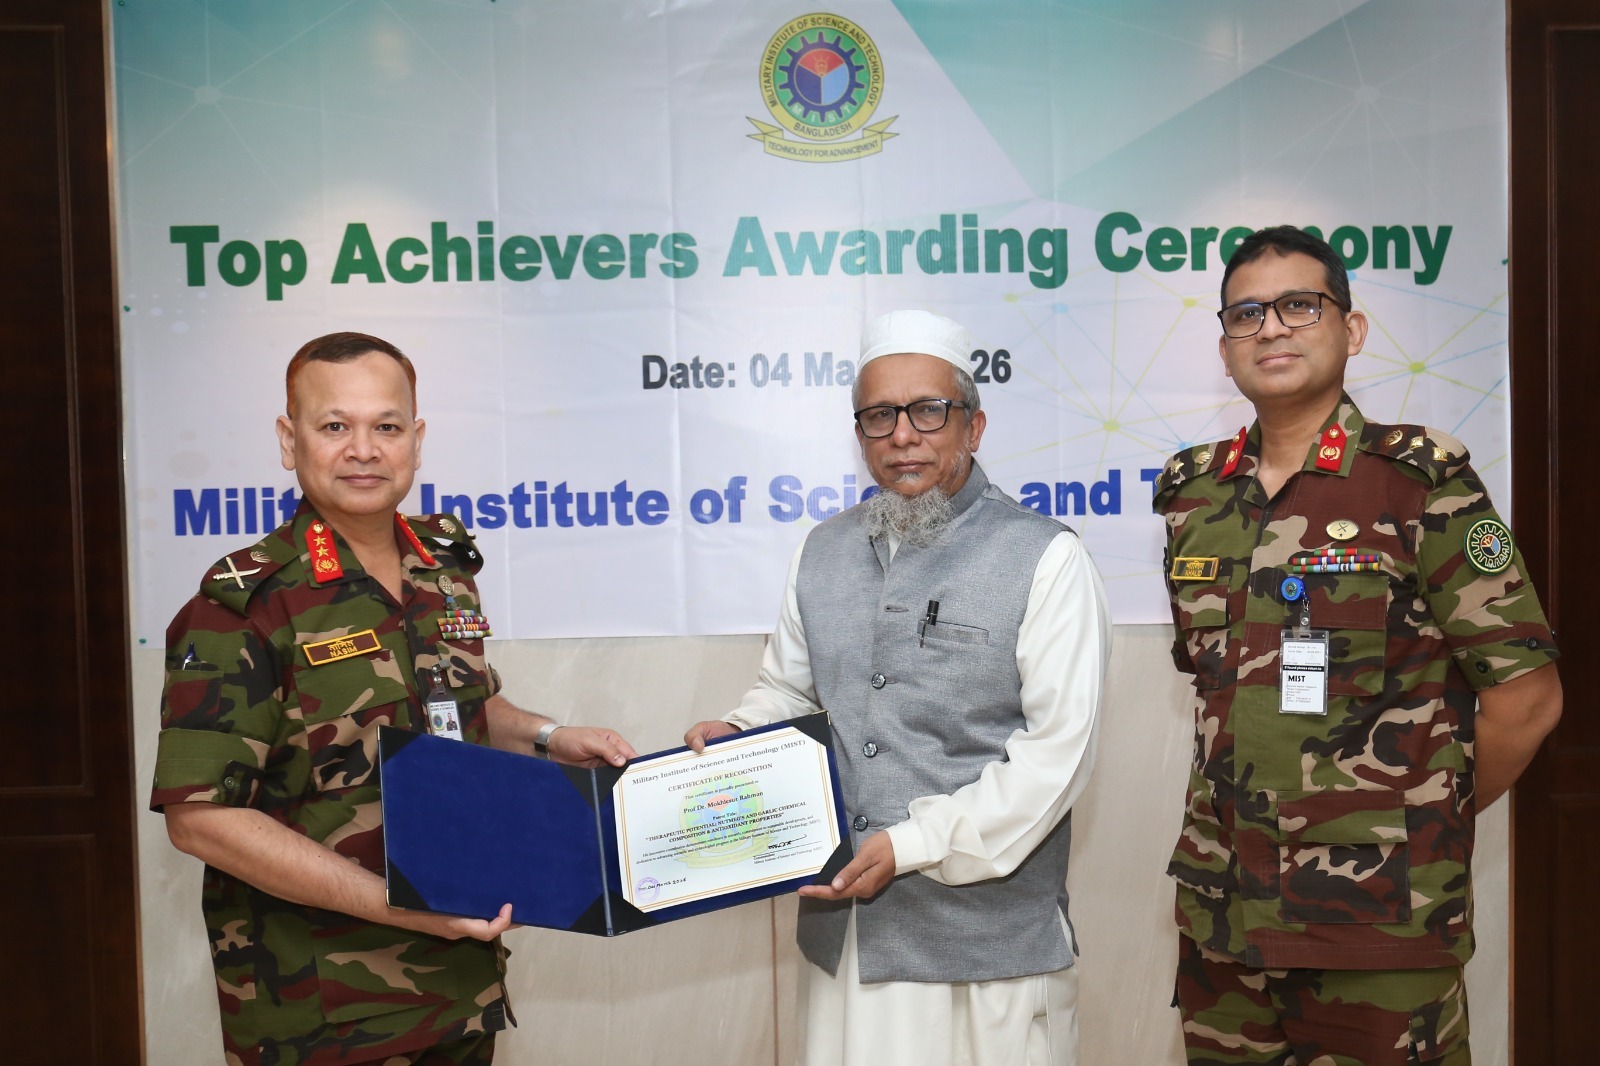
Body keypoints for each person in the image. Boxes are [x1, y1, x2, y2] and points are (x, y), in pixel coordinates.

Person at [151, 332, 637, 1066]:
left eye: (386, 426)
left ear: (416, 438)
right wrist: (402, 905)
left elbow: (457, 709)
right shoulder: (244, 607)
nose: (363, 450)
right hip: (319, 1010)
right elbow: (202, 821)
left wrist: (546, 737)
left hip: (459, 989)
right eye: (334, 425)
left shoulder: (442, 571)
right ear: (289, 440)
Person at [1153, 226, 1563, 1065]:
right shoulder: (1194, 497)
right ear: (1225, 347)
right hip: (1224, 922)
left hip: (1377, 928)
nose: (1272, 327)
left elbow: (1527, 700)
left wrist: (1424, 818)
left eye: (1299, 305)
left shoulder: (1420, 483)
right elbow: (1219, 694)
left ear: (1353, 329)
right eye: (1247, 313)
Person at [685, 309, 1112, 1066]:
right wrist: (738, 737)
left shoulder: (1046, 558)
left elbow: (1057, 755)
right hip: (849, 940)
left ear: (974, 426)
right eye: (879, 416)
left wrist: (914, 843)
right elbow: (789, 693)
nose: (903, 435)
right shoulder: (821, 551)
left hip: (988, 951)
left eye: (928, 411)